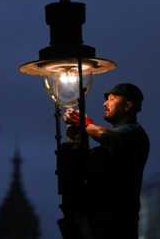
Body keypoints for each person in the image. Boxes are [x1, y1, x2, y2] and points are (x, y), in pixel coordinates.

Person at [64, 83, 150, 239]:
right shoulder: (116, 140)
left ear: (128, 105)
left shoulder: (134, 133)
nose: (105, 103)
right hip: (95, 224)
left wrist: (83, 123)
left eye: (112, 99)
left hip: (116, 226)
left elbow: (104, 135)